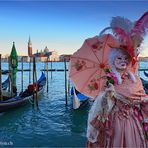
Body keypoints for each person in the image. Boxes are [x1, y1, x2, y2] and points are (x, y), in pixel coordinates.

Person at [86, 12, 148, 148]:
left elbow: (142, 98)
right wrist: (107, 95)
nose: (123, 61)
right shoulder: (108, 79)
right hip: (114, 122)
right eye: (119, 58)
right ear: (113, 60)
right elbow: (101, 105)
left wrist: (141, 100)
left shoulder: (135, 78)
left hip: (133, 121)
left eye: (126, 58)